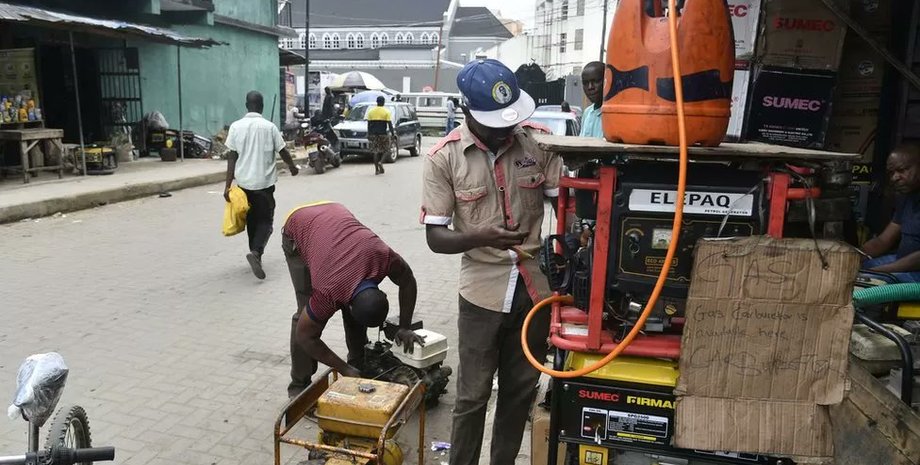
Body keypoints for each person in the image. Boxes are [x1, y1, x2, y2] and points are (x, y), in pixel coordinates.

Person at [421, 58, 562, 465]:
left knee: (520, 392)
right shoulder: (444, 158)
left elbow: (567, 208)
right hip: (481, 293)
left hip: (535, 290)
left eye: (509, 117)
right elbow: (435, 237)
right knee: (472, 396)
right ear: (466, 110)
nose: (505, 127)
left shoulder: (539, 143)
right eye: (494, 120)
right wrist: (480, 236)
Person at [284, 201, 424, 397]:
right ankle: (299, 386)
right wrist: (342, 368)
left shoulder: (382, 256)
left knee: (354, 309)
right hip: (298, 224)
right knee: (303, 315)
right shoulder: (327, 292)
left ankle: (358, 362)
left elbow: (408, 280)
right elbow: (305, 336)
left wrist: (404, 327)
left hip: (331, 211)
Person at [224, 90, 299, 280]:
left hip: (243, 185)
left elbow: (231, 157)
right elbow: (283, 151)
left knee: (252, 220)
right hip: (264, 185)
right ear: (262, 106)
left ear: (246, 105)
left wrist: (227, 185)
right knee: (265, 221)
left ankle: (254, 252)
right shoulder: (270, 127)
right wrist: (292, 167)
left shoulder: (235, 127)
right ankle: (256, 253)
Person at [861, 143, 920, 282]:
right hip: (901, 261)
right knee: (855, 267)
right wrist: (853, 255)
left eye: (902, 170)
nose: (894, 178)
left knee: (864, 279)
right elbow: (883, 241)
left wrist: (878, 272)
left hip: (916, 271)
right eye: (891, 173)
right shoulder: (907, 196)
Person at [366, 96, 397, 175]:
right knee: (387, 150)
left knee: (375, 151)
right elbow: (389, 124)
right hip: (383, 134)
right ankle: (381, 162)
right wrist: (393, 134)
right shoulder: (386, 112)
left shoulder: (371, 112)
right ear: (383, 102)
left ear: (377, 102)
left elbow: (369, 125)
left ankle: (376, 170)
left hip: (373, 134)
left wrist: (369, 134)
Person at [579, 61, 605, 138]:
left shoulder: (614, 114)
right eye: (585, 83)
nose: (590, 87)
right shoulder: (587, 113)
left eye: (596, 81)